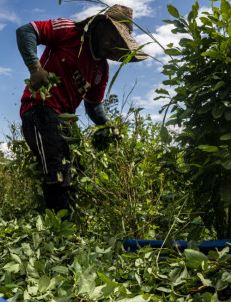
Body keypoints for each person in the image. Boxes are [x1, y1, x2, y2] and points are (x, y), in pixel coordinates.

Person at [16, 4, 147, 214]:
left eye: (117, 45)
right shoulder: (70, 32)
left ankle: (64, 225)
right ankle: (58, 235)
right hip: (40, 108)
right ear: (100, 27)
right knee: (56, 172)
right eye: (111, 40)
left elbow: (93, 105)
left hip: (65, 123)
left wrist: (108, 126)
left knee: (75, 173)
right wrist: (35, 67)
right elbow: (27, 31)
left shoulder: (101, 70)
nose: (111, 48)